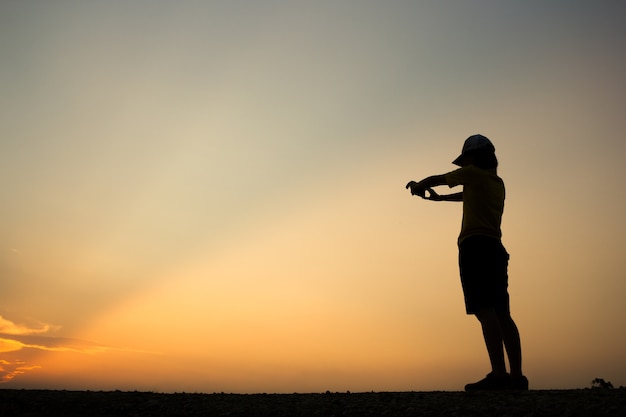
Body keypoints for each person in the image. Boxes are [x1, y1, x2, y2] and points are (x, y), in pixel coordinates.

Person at [405, 134, 528, 391]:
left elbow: (437, 179)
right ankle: (516, 377)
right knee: (503, 313)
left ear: (476, 157)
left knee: (484, 311)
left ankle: (498, 375)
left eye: (467, 159)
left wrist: (419, 185)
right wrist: (440, 199)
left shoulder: (473, 174)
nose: (465, 165)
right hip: (495, 248)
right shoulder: (497, 183)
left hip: (475, 248)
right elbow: (467, 195)